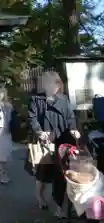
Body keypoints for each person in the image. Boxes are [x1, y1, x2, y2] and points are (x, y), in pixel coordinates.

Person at [27, 71, 80, 217]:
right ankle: (40, 197)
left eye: (57, 84)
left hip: (63, 141)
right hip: (45, 141)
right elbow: (32, 118)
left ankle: (60, 206)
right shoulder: (36, 99)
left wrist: (74, 130)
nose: (54, 87)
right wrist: (39, 132)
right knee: (43, 174)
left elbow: (70, 117)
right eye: (51, 84)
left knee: (62, 174)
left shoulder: (63, 99)